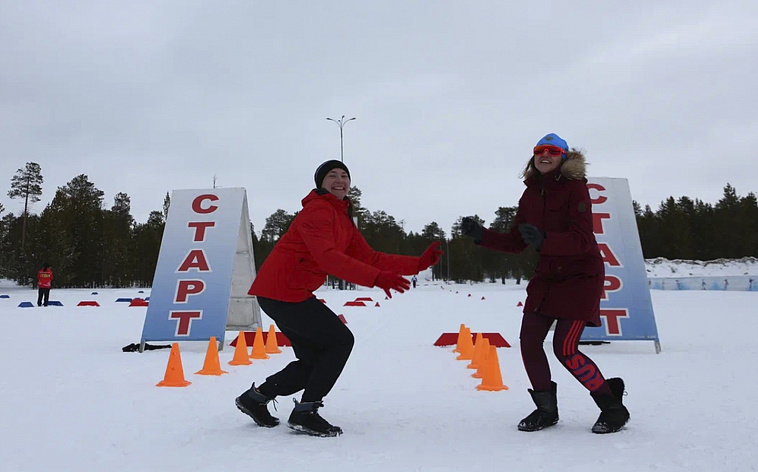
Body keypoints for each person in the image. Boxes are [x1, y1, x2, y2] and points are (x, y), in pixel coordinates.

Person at [235, 159, 443, 437]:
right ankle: (306, 411)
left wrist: (417, 264)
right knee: (340, 341)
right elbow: (328, 258)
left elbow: (370, 257)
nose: (339, 180)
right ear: (320, 183)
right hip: (284, 291)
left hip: (285, 292)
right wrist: (376, 278)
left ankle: (256, 399)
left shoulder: (340, 217)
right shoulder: (318, 211)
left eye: (344, 176)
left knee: (314, 360)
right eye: (332, 175)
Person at [461, 133, 630, 434]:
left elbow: (582, 239)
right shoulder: (530, 194)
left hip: (581, 277)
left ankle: (612, 407)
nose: (544, 154)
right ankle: (546, 409)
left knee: (565, 348)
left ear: (563, 157)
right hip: (548, 276)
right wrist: (481, 235)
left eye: (552, 150)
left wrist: (547, 240)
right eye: (539, 150)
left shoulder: (575, 189)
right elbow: (516, 242)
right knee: (529, 341)